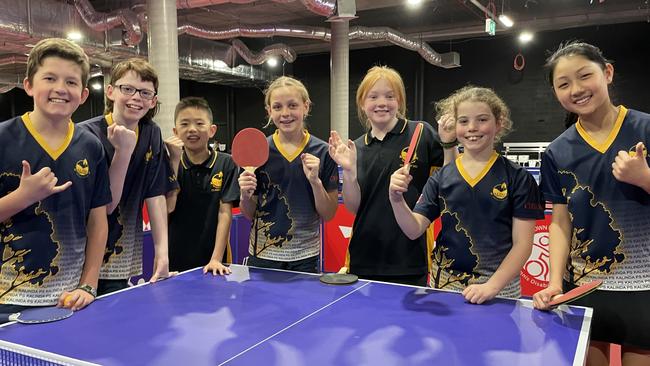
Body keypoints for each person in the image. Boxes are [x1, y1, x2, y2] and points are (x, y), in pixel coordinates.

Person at [532, 41, 650, 365]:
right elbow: (559, 221)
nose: (577, 89)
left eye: (585, 76)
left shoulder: (646, 128)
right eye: (564, 84)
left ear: (607, 72)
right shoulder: (557, 151)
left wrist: (645, 179)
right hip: (584, 285)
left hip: (643, 286)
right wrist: (555, 281)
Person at [389, 86, 544, 302]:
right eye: (463, 121)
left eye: (482, 120)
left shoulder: (518, 178)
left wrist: (492, 286)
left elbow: (523, 244)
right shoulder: (441, 177)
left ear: (498, 123)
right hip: (444, 285)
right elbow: (414, 229)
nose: (472, 128)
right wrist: (396, 200)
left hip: (500, 290)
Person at [0, 38, 110, 313]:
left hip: (68, 300)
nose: (60, 89)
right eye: (50, 78)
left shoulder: (91, 146)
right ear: (28, 85)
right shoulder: (3, 138)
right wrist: (22, 197)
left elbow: (97, 221)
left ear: (84, 95)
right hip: (6, 300)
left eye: (71, 82)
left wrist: (88, 284)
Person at [328, 66, 453, 286]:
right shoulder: (356, 147)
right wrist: (348, 172)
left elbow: (450, 179)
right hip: (364, 255)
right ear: (362, 103)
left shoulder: (420, 133)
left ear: (400, 101)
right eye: (373, 97)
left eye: (389, 96)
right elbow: (354, 207)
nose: (382, 103)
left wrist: (450, 144)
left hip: (409, 255)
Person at [78, 58, 177, 295]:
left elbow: (155, 194)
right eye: (128, 89)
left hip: (121, 257)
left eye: (145, 93)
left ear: (153, 101)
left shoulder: (152, 132)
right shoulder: (85, 135)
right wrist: (123, 150)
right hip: (80, 257)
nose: (136, 98)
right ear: (110, 91)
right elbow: (105, 205)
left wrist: (162, 254)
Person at [238, 76, 339, 273]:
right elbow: (250, 213)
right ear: (269, 111)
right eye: (277, 107)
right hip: (263, 255)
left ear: (306, 107)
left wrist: (315, 182)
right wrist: (245, 195)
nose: (285, 113)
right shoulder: (256, 151)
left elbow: (329, 214)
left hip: (305, 256)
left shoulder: (324, 152)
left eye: (292, 105)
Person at [165, 97, 239, 275]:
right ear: (175, 131)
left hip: (215, 259)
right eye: (184, 124)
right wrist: (173, 162)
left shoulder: (226, 163)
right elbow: (167, 208)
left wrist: (216, 258)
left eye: (199, 123)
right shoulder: (167, 164)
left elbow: (224, 212)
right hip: (175, 257)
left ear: (212, 130)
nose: (192, 129)